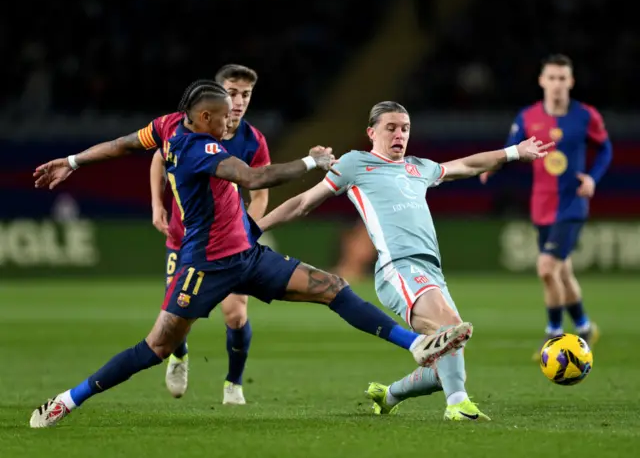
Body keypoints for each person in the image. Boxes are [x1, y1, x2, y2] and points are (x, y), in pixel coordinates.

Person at [30, 83, 471, 428]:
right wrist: (311, 162)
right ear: (203, 117)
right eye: (223, 118)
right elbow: (256, 178)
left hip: (247, 255)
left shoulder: (166, 125)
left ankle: (415, 344)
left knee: (332, 287)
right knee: (156, 347)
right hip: (204, 268)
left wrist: (72, 160)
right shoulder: (199, 149)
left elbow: (125, 144)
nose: (230, 125)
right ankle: (68, 400)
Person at [257, 101, 552, 421]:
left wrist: (513, 152)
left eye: (405, 128)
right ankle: (458, 406)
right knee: (451, 331)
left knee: (448, 359)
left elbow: (466, 166)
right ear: (371, 132)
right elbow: (303, 202)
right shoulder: (356, 163)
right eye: (391, 128)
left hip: (431, 271)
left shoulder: (418, 167)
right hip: (398, 268)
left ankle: (389, 394)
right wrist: (256, 227)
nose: (400, 134)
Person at [149, 65, 269, 403]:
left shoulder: (253, 140)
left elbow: (260, 193)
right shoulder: (185, 127)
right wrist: (157, 204)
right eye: (232, 92)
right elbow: (159, 158)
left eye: (245, 94)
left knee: (236, 313)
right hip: (183, 239)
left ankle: (234, 383)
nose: (239, 100)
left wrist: (245, 228)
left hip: (228, 247)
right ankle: (179, 355)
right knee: (174, 319)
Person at [480, 54, 612, 359]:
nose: (556, 84)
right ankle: (584, 325)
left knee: (546, 268)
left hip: (572, 205)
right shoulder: (527, 117)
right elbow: (509, 150)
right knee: (562, 272)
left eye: (562, 78)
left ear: (571, 82)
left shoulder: (586, 116)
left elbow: (605, 148)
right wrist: (490, 168)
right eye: (551, 78)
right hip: (541, 206)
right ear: (542, 81)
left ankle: (553, 333)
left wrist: (592, 178)